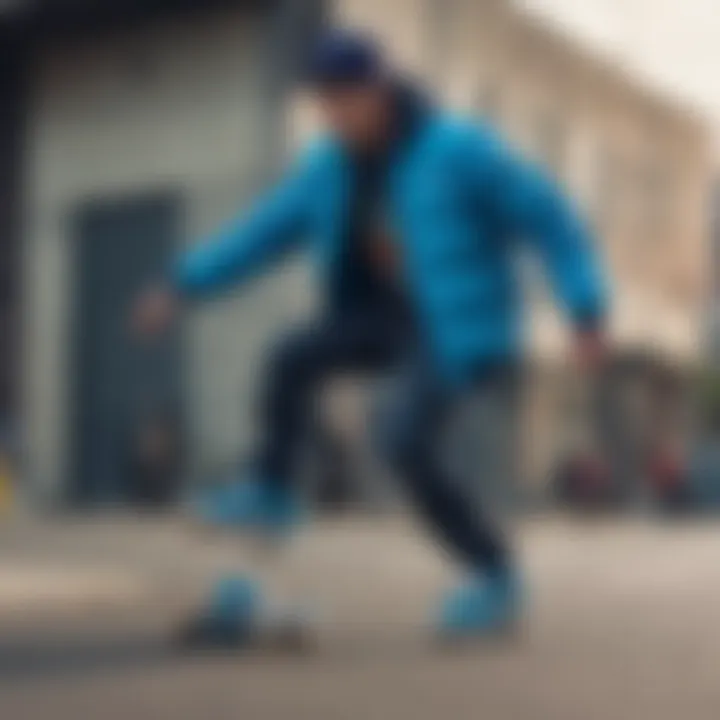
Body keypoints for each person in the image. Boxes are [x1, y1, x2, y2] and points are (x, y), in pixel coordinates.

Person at [133, 29, 608, 643]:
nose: (333, 117)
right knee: (292, 354)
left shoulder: (460, 150)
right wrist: (180, 284)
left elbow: (551, 218)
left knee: (402, 437)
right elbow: (258, 235)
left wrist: (585, 309)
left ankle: (494, 576)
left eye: (344, 100)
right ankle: (272, 493)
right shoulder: (326, 170)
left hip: (457, 326)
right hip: (379, 320)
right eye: (323, 105)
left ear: (380, 92)